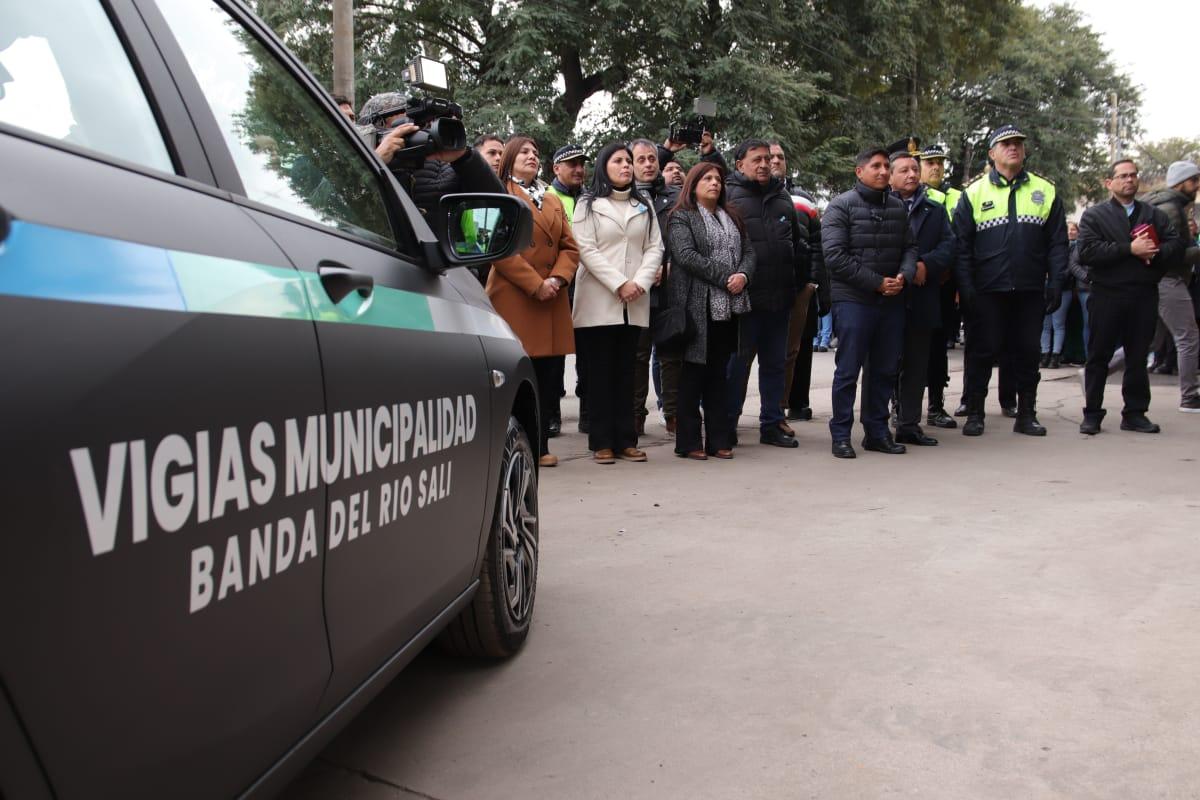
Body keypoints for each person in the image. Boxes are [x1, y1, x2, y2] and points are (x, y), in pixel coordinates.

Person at [954, 124, 1068, 437]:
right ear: (992, 153)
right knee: (981, 352)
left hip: (1029, 290)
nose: (1013, 148)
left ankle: (1027, 414)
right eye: (1006, 144)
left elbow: (1058, 244)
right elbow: (961, 247)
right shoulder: (974, 193)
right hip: (987, 290)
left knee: (1028, 353)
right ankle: (975, 413)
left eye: (1018, 143)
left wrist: (1056, 282)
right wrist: (966, 287)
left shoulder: (1045, 190)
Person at [486, 136, 580, 465]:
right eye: (524, 152)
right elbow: (497, 248)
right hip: (516, 296)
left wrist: (557, 278)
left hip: (551, 296)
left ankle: (539, 447)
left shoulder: (550, 197)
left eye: (535, 152)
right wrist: (535, 284)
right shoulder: (498, 194)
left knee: (547, 377)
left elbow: (570, 246)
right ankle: (511, 447)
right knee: (515, 375)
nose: (532, 156)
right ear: (509, 159)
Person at [822, 147, 918, 458]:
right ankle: (841, 435)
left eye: (886, 166)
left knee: (884, 370)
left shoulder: (897, 207)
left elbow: (910, 247)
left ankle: (877, 432)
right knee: (848, 371)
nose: (883, 171)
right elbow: (835, 256)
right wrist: (876, 282)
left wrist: (903, 275)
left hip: (891, 301)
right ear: (859, 171)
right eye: (875, 166)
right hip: (854, 300)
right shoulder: (841, 206)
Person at [571, 142, 664, 464]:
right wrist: (619, 283)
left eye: (628, 161)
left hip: (634, 299)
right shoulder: (588, 204)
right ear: (603, 167)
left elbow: (655, 247)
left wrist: (639, 282)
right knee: (599, 373)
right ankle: (601, 441)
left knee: (628, 372)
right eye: (618, 161)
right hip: (598, 299)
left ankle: (626, 439)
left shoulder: (643, 204)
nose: (626, 166)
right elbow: (586, 249)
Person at [1077, 159, 1183, 434]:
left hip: (1143, 294)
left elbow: (1175, 246)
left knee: (1137, 357)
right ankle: (1092, 414)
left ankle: (1135, 413)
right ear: (1109, 183)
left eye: (1133, 175)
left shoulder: (1154, 215)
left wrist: (1155, 252)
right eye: (1123, 176)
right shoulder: (1095, 216)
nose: (1129, 180)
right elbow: (1087, 252)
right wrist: (1129, 249)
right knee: (1098, 355)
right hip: (1106, 294)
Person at [666, 163, 755, 459]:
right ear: (693, 185)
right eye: (707, 178)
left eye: (718, 179)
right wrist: (726, 277)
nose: (715, 183)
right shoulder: (682, 216)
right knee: (693, 373)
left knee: (719, 374)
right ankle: (689, 442)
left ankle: (719, 440)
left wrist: (743, 275)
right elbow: (686, 256)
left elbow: (749, 252)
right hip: (697, 305)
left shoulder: (732, 215)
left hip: (729, 307)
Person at [725, 138, 808, 448]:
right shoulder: (728, 196)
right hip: (743, 301)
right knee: (737, 366)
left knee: (775, 365)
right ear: (740, 165)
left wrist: (798, 283)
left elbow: (797, 243)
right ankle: (727, 424)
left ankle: (771, 424)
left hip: (780, 298)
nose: (765, 164)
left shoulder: (782, 196)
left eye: (768, 158)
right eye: (756, 159)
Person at [889, 147, 955, 446]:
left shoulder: (935, 210)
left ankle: (909, 424)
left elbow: (949, 246)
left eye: (915, 169)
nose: (912, 175)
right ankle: (883, 419)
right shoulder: (880, 207)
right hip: (888, 294)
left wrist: (925, 264)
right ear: (891, 176)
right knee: (886, 363)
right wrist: (904, 268)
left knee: (917, 364)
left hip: (923, 295)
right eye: (904, 170)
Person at [357, 92, 503, 221]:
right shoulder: (356, 165)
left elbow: (499, 206)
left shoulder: (444, 169)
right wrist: (375, 162)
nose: (411, 132)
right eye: (400, 126)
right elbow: (352, 207)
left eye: (416, 125)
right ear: (373, 132)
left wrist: (464, 158)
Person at [770, 141, 828, 424]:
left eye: (780, 157)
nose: (775, 161)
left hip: (800, 286)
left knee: (799, 347)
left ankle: (795, 404)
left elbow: (817, 242)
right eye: (770, 156)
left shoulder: (803, 199)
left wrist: (814, 282)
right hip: (763, 286)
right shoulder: (746, 195)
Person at [629, 139, 681, 437]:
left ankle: (672, 413)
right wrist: (646, 272)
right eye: (641, 159)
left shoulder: (674, 196)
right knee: (637, 355)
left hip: (671, 284)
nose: (648, 164)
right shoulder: (623, 196)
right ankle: (635, 415)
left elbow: (683, 234)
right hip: (636, 286)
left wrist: (672, 264)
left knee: (671, 353)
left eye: (652, 158)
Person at [1144, 160, 1200, 412]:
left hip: (1161, 280)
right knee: (1188, 337)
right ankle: (1190, 397)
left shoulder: (1168, 205)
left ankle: (1093, 372)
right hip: (1169, 279)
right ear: (1180, 182)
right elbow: (1171, 255)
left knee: (1147, 340)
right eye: (1193, 180)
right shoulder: (1171, 209)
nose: (1197, 186)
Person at [545, 143, 590, 435]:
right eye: (572, 164)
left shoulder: (591, 198)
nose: (578, 169)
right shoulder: (546, 196)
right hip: (558, 282)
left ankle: (589, 415)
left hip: (588, 284)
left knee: (588, 354)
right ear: (556, 168)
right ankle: (551, 415)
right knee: (554, 354)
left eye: (581, 164)